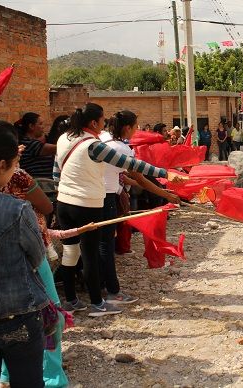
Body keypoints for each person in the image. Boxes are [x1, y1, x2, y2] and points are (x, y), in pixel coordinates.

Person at [54, 103, 180, 317]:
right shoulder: (93, 145)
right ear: (94, 122)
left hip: (64, 203)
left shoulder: (64, 138)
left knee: (70, 252)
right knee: (90, 254)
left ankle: (71, 301)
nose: (105, 124)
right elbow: (131, 164)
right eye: (103, 120)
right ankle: (97, 304)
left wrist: (62, 193)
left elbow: (56, 171)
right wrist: (165, 174)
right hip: (86, 204)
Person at [0, 124, 49, 387]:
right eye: (14, 164)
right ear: (0, 165)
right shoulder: (16, 209)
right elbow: (37, 257)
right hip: (16, 316)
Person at [99, 110, 180, 303]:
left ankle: (97, 286)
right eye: (136, 126)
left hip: (92, 196)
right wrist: (166, 194)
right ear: (127, 128)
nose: (136, 130)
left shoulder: (102, 139)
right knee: (106, 245)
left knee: (93, 245)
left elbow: (123, 175)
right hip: (107, 198)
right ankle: (111, 291)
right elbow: (141, 177)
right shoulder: (122, 149)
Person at [15, 112, 56, 179]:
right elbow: (58, 148)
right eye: (40, 124)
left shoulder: (27, 142)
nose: (43, 127)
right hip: (41, 184)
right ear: (31, 126)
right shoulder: (29, 144)